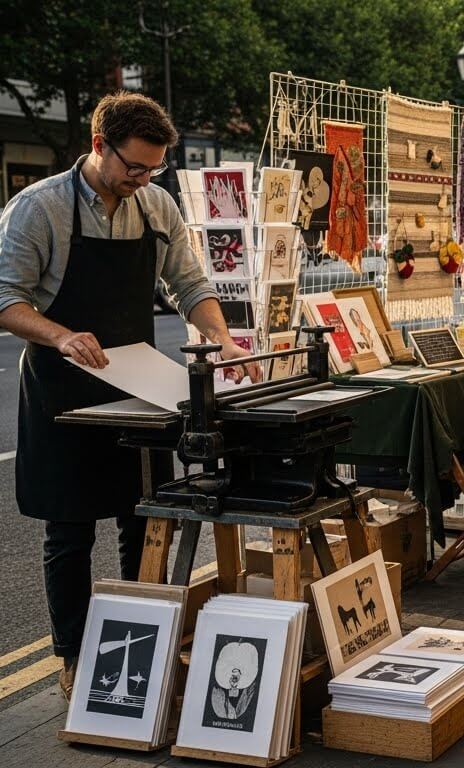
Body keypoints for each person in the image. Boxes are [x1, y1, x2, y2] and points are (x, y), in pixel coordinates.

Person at [0, 91, 258, 698]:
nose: (143, 180)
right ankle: (70, 656)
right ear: (98, 146)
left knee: (144, 521)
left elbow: (189, 282)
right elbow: (7, 300)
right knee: (68, 533)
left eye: (154, 170)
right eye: (134, 168)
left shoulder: (155, 205)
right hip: (61, 390)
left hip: (137, 384)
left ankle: (141, 642)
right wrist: (61, 336)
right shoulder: (39, 210)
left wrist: (219, 336)